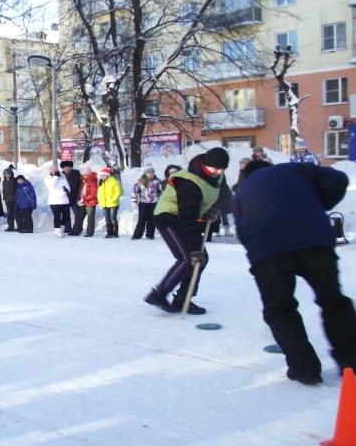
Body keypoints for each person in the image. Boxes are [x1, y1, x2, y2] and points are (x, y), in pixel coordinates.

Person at [232, 160, 356, 384]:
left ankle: (304, 368)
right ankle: (351, 362)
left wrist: (258, 258)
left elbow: (242, 232)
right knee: (333, 301)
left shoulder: (241, 193)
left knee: (279, 309)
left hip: (269, 250)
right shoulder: (295, 169)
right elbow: (339, 179)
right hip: (315, 241)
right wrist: (318, 205)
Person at [144, 147, 229, 315]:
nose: (218, 172)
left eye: (222, 169)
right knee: (188, 257)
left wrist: (215, 209)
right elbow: (187, 219)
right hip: (168, 217)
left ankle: (183, 298)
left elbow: (225, 196)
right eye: (215, 168)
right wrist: (196, 248)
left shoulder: (218, 176)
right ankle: (158, 294)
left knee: (200, 259)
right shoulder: (187, 181)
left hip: (185, 219)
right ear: (205, 165)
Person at [131, 166, 161, 240]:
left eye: (152, 173)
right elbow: (135, 191)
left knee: (151, 219)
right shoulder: (140, 181)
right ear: (145, 174)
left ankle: (150, 235)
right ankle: (137, 235)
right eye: (149, 173)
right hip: (143, 203)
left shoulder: (158, 181)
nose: (151, 174)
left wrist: (161, 201)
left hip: (154, 203)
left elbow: (161, 191)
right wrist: (134, 201)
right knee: (142, 219)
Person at [72, 167, 98, 237]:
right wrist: (78, 199)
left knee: (90, 218)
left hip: (90, 202)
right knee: (79, 217)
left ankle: (90, 232)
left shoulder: (93, 182)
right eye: (83, 174)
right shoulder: (83, 182)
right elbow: (80, 192)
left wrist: (84, 199)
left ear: (89, 174)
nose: (84, 176)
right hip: (83, 202)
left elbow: (93, 194)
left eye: (86, 174)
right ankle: (75, 231)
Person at [45, 168, 71, 238]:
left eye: (56, 171)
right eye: (52, 171)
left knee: (66, 216)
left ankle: (61, 228)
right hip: (54, 201)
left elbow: (68, 188)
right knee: (57, 216)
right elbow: (51, 187)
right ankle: (57, 229)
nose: (54, 172)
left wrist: (67, 190)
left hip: (64, 200)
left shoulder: (63, 179)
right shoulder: (47, 179)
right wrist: (55, 177)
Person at [97, 167, 121, 238]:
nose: (102, 177)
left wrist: (113, 199)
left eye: (103, 175)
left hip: (113, 203)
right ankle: (109, 233)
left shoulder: (114, 181)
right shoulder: (100, 182)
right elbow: (100, 192)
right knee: (107, 219)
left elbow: (118, 191)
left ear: (107, 175)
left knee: (113, 218)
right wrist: (100, 200)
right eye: (101, 175)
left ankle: (115, 233)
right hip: (104, 203)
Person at [60, 161, 81, 234]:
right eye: (64, 167)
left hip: (74, 197)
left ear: (71, 167)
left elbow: (79, 185)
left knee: (77, 214)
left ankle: (78, 228)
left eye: (68, 166)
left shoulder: (76, 173)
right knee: (66, 214)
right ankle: (67, 228)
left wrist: (79, 195)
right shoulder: (61, 175)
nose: (66, 168)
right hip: (64, 197)